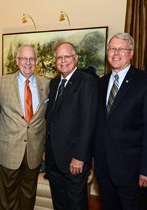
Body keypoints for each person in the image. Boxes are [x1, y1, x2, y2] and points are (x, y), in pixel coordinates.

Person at [93, 32, 147, 210]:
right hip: (104, 169)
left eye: (121, 49)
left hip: (133, 172)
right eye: (112, 49)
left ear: (131, 53)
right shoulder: (101, 83)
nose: (115, 53)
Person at [45, 41, 98, 210]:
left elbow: (88, 122)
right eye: (59, 57)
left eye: (67, 56)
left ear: (76, 58)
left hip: (74, 160)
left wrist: (80, 156)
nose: (63, 60)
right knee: (59, 204)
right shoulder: (54, 84)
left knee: (76, 205)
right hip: (53, 160)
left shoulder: (87, 82)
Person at [0, 45, 50, 210]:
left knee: (28, 197)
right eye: (24, 59)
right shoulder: (0, 83)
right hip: (9, 150)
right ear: (17, 61)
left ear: (37, 61)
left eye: (31, 59)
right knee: (7, 200)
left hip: (34, 152)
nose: (28, 62)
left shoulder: (47, 84)